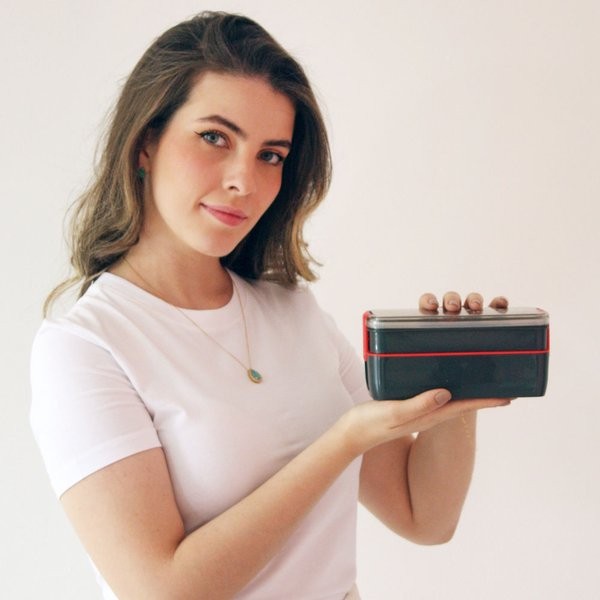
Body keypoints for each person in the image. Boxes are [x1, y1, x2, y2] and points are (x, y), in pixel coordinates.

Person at [30, 11, 510, 600]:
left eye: (271, 155)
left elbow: (424, 518)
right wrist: (341, 442)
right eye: (215, 138)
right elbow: (161, 589)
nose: (244, 180)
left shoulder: (293, 312)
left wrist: (458, 381)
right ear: (146, 142)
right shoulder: (85, 347)